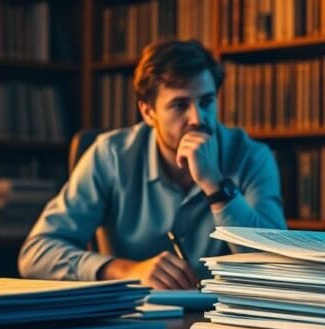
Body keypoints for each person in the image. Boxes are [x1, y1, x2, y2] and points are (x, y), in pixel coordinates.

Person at [18, 38, 286, 289]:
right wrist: (126, 270)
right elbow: (36, 253)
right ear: (148, 112)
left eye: (206, 102)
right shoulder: (111, 155)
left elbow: (277, 267)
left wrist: (215, 186)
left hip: (225, 319)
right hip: (135, 320)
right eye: (180, 105)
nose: (198, 118)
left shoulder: (251, 156)